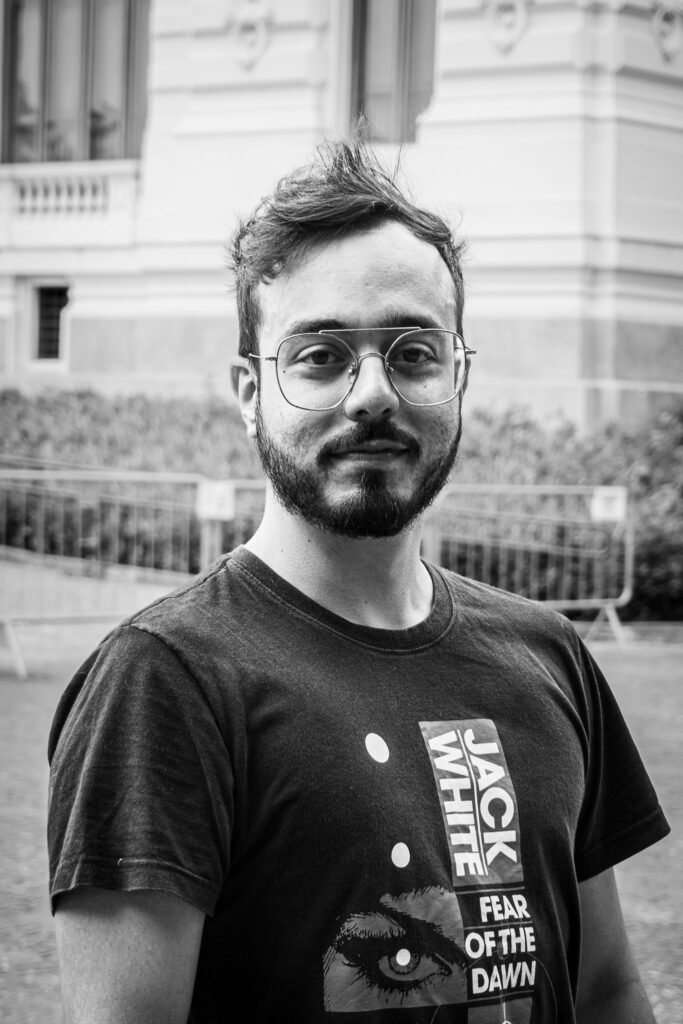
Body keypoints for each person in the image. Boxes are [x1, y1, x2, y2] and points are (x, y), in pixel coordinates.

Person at [48, 137, 669, 1024]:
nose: (372, 392)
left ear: (458, 376)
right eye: (320, 355)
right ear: (249, 391)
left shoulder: (549, 653)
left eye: (413, 353)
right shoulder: (164, 680)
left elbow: (605, 989)